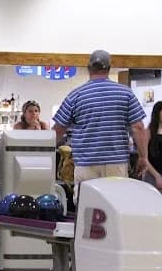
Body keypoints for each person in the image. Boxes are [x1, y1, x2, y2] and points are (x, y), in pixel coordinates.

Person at [53, 49, 148, 196]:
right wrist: (143, 157)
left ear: (89, 68)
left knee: (87, 208)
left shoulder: (76, 95)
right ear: (109, 69)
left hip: (86, 164)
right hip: (116, 163)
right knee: (116, 206)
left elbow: (58, 130)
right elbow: (138, 127)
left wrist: (45, 154)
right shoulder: (126, 93)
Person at [143, 100, 162, 203]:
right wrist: (157, 176)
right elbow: (144, 158)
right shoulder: (148, 132)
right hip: (153, 175)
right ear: (157, 113)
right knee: (155, 204)